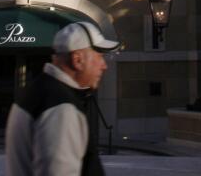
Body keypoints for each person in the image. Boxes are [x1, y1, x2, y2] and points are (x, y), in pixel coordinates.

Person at [6, 21, 120, 176]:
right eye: (99, 56)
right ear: (78, 60)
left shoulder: (38, 90)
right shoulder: (61, 108)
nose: (104, 65)